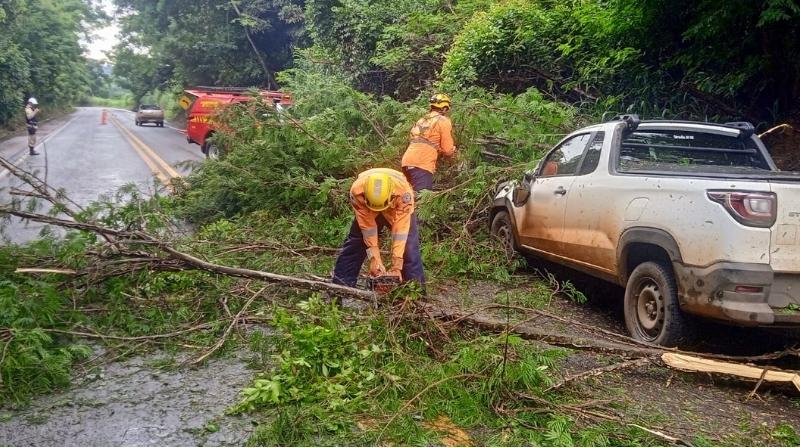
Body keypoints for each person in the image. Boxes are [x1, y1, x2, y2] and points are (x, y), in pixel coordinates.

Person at [332, 168, 425, 286]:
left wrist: (397, 265)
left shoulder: (404, 194)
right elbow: (368, 229)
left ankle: (413, 291)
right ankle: (341, 286)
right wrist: (374, 259)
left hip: (396, 209)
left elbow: (401, 233)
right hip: (367, 210)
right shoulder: (357, 192)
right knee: (356, 243)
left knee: (409, 247)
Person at [401, 93, 456, 192]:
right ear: (444, 108)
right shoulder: (443, 121)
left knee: (412, 197)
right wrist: (453, 150)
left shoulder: (422, 120)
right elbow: (448, 150)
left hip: (407, 162)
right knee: (423, 200)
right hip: (422, 164)